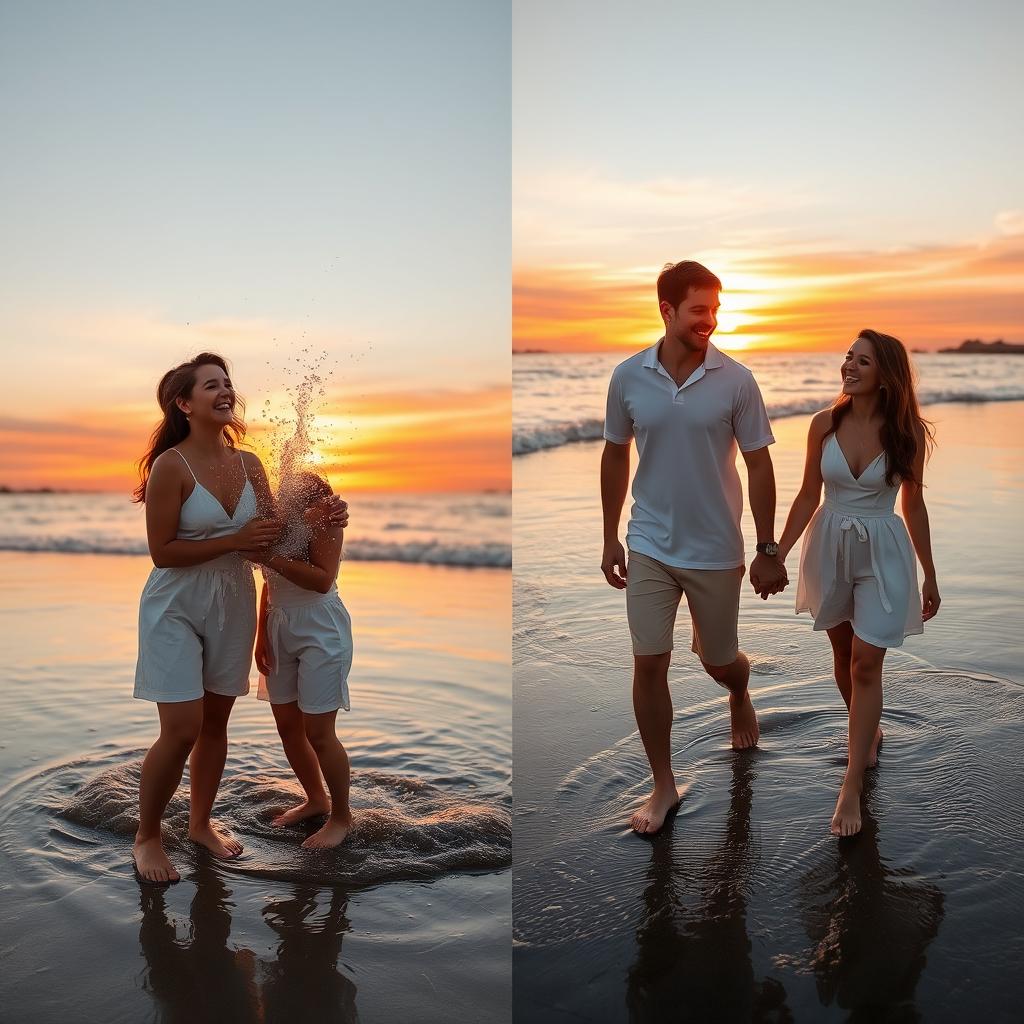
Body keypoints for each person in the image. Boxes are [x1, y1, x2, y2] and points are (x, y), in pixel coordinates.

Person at [131, 354, 349, 883]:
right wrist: (231, 540)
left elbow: (274, 534)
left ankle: (200, 824)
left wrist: (322, 516)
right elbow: (162, 551)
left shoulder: (250, 463)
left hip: (232, 599)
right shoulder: (171, 466)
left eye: (228, 383)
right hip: (176, 603)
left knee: (214, 724)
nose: (225, 391)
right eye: (211, 385)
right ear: (184, 404)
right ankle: (148, 836)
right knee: (180, 728)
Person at [601, 261, 788, 835]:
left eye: (715, 308)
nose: (711, 319)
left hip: (714, 548)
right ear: (667, 310)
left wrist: (766, 546)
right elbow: (614, 454)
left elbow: (759, 464)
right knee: (649, 661)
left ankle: (739, 691)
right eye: (699, 309)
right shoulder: (628, 376)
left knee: (718, 661)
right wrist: (610, 534)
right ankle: (664, 785)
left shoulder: (736, 380)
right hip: (650, 540)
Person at [775, 330, 940, 836]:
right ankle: (866, 733)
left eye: (862, 360)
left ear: (885, 373)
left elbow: (912, 503)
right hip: (829, 543)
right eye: (849, 356)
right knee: (844, 652)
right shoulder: (824, 423)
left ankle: (851, 785)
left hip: (883, 551)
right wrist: (776, 553)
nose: (849, 365)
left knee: (867, 661)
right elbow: (807, 494)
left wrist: (930, 572)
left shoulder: (906, 431)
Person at [253, 470, 354, 849]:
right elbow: (267, 582)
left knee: (319, 733)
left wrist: (270, 556)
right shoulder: (276, 526)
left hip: (320, 628)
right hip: (280, 626)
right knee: (287, 727)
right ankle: (316, 799)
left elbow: (322, 580)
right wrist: (261, 635)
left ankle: (342, 818)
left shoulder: (327, 521)